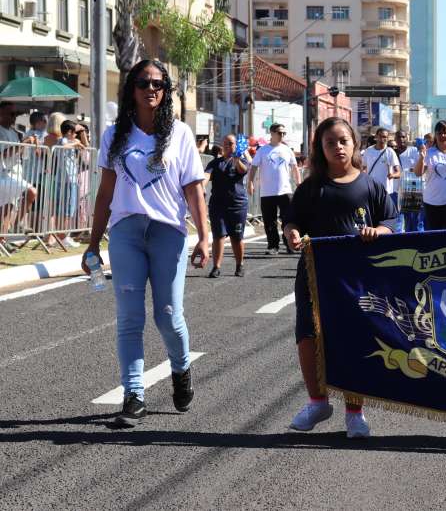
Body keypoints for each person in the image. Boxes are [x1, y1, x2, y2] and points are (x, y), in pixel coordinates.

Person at [82, 59, 209, 428]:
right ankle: (133, 394)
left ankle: (181, 368)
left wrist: (205, 237)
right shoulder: (114, 135)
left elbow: (193, 189)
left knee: (168, 314)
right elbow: (105, 193)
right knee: (129, 317)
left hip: (168, 233)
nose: (151, 89)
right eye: (143, 83)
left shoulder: (180, 134)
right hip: (126, 233)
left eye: (158, 84)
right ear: (131, 89)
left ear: (166, 91)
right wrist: (92, 244)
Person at [283, 117, 397, 439]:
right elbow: (291, 221)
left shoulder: (370, 186)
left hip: (356, 277)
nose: (338, 147)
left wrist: (378, 231)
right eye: (330, 142)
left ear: (355, 144)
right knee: (308, 336)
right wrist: (292, 233)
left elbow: (391, 221)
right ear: (320, 148)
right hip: (314, 274)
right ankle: (317, 402)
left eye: (343, 141)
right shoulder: (310, 188)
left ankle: (355, 413)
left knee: (353, 340)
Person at [248, 123, 301, 255]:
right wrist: (250, 182)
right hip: (267, 192)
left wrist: (299, 183)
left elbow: (294, 167)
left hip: (285, 191)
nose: (282, 135)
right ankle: (273, 246)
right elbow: (253, 167)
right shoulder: (263, 150)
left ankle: (289, 244)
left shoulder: (287, 150)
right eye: (279, 132)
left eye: (284, 133)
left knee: (288, 220)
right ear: (272, 133)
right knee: (269, 221)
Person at [205, 134, 251, 277]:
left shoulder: (241, 161)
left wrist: (236, 159)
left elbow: (242, 170)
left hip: (237, 205)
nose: (227, 146)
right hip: (217, 205)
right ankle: (216, 267)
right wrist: (201, 187)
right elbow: (206, 176)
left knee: (236, 237)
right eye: (225, 143)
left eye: (230, 143)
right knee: (218, 235)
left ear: (236, 145)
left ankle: (239, 265)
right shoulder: (214, 163)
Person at [0, 101, 37, 249]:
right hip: (3, 175)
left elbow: (23, 155)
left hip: (15, 175)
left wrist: (29, 144)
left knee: (8, 207)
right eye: (11, 113)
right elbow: (4, 154)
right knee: (31, 192)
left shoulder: (15, 132)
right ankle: (10, 234)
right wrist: (23, 143)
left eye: (16, 114)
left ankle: (6, 237)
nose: (14, 117)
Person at [52, 120, 87, 248]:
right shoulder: (63, 141)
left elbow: (85, 146)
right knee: (66, 210)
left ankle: (62, 237)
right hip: (66, 180)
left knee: (66, 209)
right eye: (74, 133)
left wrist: (80, 138)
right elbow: (63, 147)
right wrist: (75, 144)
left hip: (68, 179)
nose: (76, 135)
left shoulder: (69, 141)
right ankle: (63, 238)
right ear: (69, 132)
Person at [361, 127, 401, 214]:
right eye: (381, 136)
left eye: (385, 137)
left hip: (386, 192)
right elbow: (363, 168)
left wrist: (392, 175)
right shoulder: (368, 151)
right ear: (376, 137)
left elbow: (398, 172)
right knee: (372, 215)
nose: (383, 139)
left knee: (385, 215)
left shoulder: (390, 152)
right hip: (371, 190)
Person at [393, 129, 423, 232]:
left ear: (407, 138)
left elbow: (420, 168)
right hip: (396, 191)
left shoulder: (414, 151)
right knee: (397, 220)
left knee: (413, 221)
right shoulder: (392, 152)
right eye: (399, 137)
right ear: (395, 139)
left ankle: (413, 239)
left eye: (403, 137)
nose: (401, 139)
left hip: (412, 190)